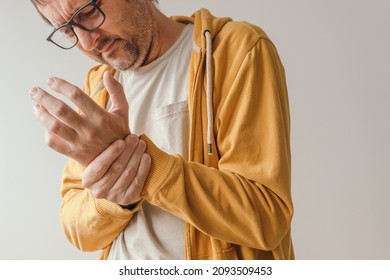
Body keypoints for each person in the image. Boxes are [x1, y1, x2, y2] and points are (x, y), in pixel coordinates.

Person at [30, 0, 294, 260]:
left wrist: (138, 164)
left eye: (88, 12)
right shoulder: (98, 86)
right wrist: (117, 196)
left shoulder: (236, 50)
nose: (87, 43)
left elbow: (265, 218)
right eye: (67, 29)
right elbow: (78, 231)